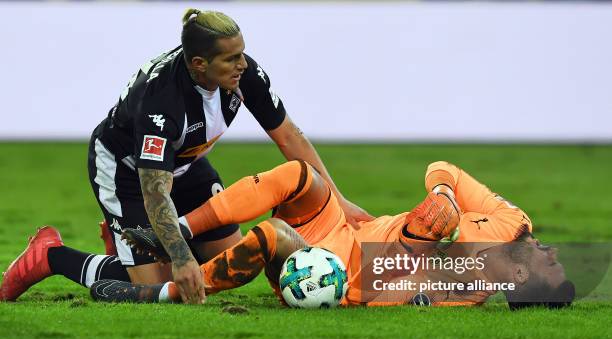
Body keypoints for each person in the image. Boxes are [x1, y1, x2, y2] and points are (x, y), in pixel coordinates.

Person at [0, 9, 371, 304]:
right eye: (231, 59)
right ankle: (51, 256)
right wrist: (179, 258)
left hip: (186, 165)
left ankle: (134, 243)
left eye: (242, 53)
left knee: (233, 262)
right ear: (198, 64)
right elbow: (155, 191)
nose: (243, 65)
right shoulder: (162, 101)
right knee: (166, 283)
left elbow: (289, 136)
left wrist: (339, 200)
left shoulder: (243, 74)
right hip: (128, 172)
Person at [99, 160, 574, 309]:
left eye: (549, 264)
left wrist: (416, 240)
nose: (551, 250)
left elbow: (371, 291)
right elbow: (442, 168)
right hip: (348, 227)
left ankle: (160, 294)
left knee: (273, 235)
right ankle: (175, 232)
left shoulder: (461, 293)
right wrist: (446, 193)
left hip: (334, 269)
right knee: (300, 175)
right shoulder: (515, 223)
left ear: (518, 277)